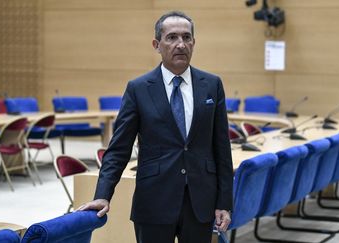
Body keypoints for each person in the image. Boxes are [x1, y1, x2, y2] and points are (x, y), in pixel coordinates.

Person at [78, 11, 233, 243]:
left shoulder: (212, 85)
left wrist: (224, 203)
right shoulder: (138, 89)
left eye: (186, 37)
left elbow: (221, 147)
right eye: (171, 37)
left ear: (193, 42)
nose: (180, 44)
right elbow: (119, 148)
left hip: (200, 202)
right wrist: (103, 195)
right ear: (156, 44)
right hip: (154, 201)